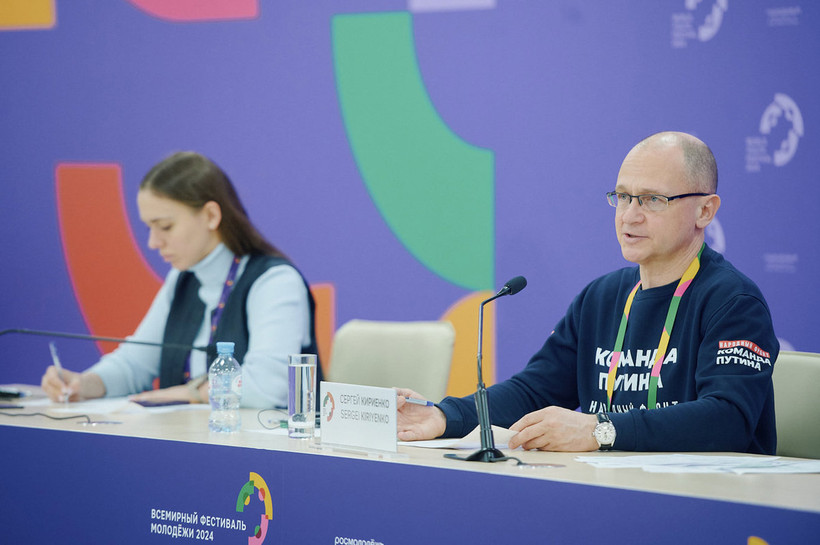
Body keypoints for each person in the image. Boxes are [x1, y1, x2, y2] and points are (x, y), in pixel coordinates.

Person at [397, 131, 778, 454]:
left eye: (652, 200)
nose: (630, 215)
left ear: (705, 211)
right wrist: (445, 416)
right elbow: (534, 391)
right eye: (623, 196)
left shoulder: (733, 302)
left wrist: (600, 431)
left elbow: (727, 420)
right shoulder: (601, 298)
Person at [41, 152, 321, 408]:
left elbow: (270, 387)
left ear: (211, 216)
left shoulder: (274, 281)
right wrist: (84, 384)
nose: (152, 242)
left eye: (165, 226)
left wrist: (191, 393)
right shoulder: (182, 279)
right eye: (148, 227)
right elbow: (135, 364)